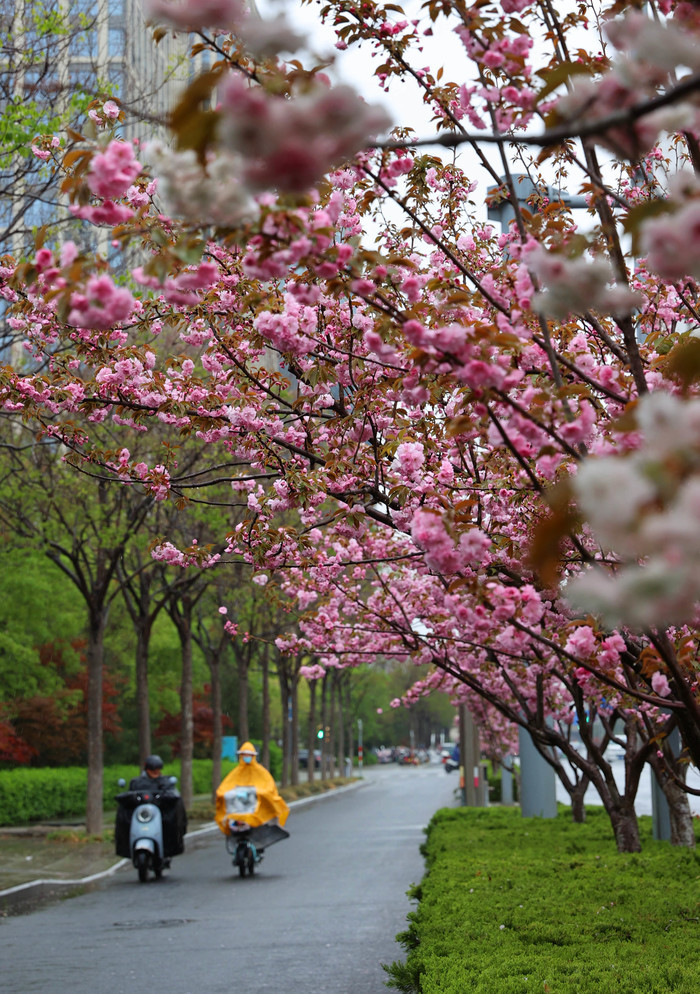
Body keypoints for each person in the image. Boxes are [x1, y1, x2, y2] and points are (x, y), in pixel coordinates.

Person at [215, 741, 289, 835]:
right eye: (244, 755)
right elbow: (226, 786)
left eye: (249, 755)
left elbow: (269, 787)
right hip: (239, 805)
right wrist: (223, 793)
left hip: (255, 803)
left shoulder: (261, 771)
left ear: (253, 756)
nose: (246, 757)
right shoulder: (236, 772)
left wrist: (260, 792)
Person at [127, 754, 187, 856]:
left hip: (161, 814)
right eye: (152, 769)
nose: (155, 771)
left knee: (171, 822)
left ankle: (169, 848)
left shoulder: (165, 781)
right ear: (147, 769)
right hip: (143, 814)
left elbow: (173, 795)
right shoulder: (137, 782)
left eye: (157, 769)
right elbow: (130, 795)